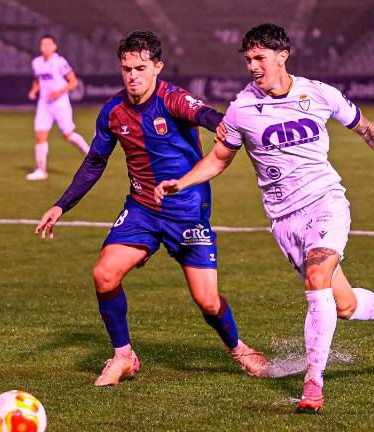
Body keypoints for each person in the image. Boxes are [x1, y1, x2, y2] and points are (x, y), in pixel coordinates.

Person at [155, 23, 374, 413]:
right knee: (344, 305)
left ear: (283, 56)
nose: (253, 66)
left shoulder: (318, 93)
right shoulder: (241, 109)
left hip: (326, 202)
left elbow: (366, 129)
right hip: (284, 220)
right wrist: (182, 183)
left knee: (317, 279)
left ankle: (313, 385)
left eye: (260, 58)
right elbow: (219, 158)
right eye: (248, 59)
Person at [35, 31, 268, 386]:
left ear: (157, 67)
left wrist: (225, 125)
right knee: (104, 274)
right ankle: (123, 356)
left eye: (140, 68)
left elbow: (204, 114)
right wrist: (60, 205)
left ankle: (238, 349)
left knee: (207, 301)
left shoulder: (173, 99)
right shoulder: (113, 111)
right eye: (127, 69)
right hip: (142, 209)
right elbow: (95, 162)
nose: (133, 76)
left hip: (187, 211)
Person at [27, 34, 90, 181]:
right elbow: (37, 79)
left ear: (54, 46)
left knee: (68, 135)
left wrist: (58, 93)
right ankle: (41, 170)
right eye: (43, 44)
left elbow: (73, 82)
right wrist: (34, 90)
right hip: (44, 104)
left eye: (48, 44)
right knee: (40, 135)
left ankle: (89, 153)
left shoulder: (60, 62)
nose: (45, 47)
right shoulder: (37, 62)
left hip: (60, 103)